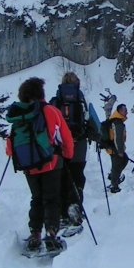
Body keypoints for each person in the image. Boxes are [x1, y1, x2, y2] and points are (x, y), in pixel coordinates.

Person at [6, 77, 74, 252]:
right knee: (52, 198)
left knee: (36, 198)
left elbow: (10, 144)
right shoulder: (50, 110)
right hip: (51, 162)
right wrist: (67, 156)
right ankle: (51, 233)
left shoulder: (20, 113)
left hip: (28, 165)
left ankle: (35, 234)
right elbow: (65, 137)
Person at [49, 71, 96, 229]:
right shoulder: (81, 100)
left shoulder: (55, 101)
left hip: (60, 147)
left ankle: (62, 213)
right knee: (77, 176)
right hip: (79, 145)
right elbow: (92, 121)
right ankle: (75, 206)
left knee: (62, 178)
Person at [104, 103, 129, 193]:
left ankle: (114, 178)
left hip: (113, 147)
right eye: (125, 110)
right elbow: (118, 137)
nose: (127, 112)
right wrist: (120, 151)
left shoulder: (115, 120)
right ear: (120, 111)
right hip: (114, 149)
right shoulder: (117, 122)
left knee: (123, 160)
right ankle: (114, 185)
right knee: (117, 166)